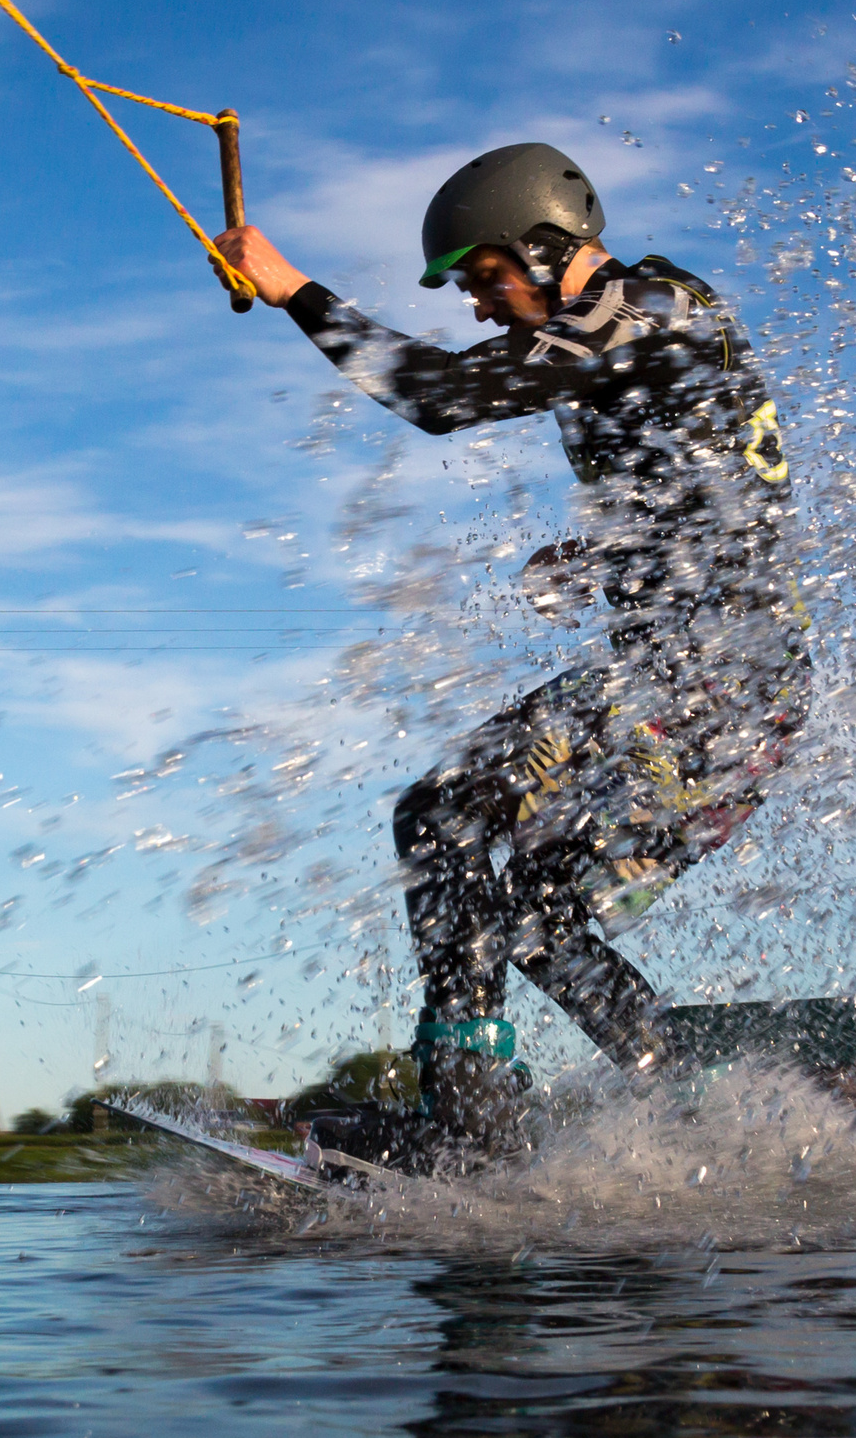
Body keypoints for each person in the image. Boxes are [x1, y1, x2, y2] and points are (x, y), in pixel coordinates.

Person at [215, 143, 811, 1176]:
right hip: (734, 695)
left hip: (714, 687)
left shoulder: (652, 305)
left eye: (484, 279)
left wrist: (293, 291)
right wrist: (607, 549)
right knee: (534, 910)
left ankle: (468, 1122)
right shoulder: (625, 338)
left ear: (545, 245)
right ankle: (698, 1113)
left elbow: (442, 396)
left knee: (438, 814)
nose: (481, 308)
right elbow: (714, 477)